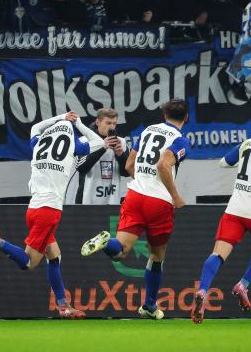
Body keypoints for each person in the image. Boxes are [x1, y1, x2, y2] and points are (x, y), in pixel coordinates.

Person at [0, 111, 106, 318]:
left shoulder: (39, 142)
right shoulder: (73, 145)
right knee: (29, 262)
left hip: (34, 208)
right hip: (49, 211)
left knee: (54, 256)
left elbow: (36, 128)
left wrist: (60, 117)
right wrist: (77, 122)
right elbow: (98, 140)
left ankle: (63, 307)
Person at [80, 99, 190, 320]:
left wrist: (143, 182)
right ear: (186, 118)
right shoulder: (180, 140)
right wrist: (176, 196)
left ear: (164, 115)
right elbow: (163, 165)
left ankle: (105, 242)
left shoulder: (148, 131)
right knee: (157, 255)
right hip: (159, 202)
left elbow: (130, 165)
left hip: (135, 195)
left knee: (120, 251)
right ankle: (149, 305)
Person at [190, 109, 251, 324]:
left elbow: (224, 162)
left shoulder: (248, 143)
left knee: (218, 254)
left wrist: (244, 160)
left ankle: (203, 290)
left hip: (235, 209)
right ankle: (243, 284)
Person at [75, 108, 129, 205]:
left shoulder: (121, 142)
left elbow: (127, 172)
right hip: (87, 201)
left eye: (114, 123)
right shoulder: (84, 141)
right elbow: (81, 167)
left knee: (113, 221)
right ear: (98, 122)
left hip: (112, 200)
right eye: (108, 123)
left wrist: (120, 155)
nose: (112, 127)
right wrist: (102, 148)